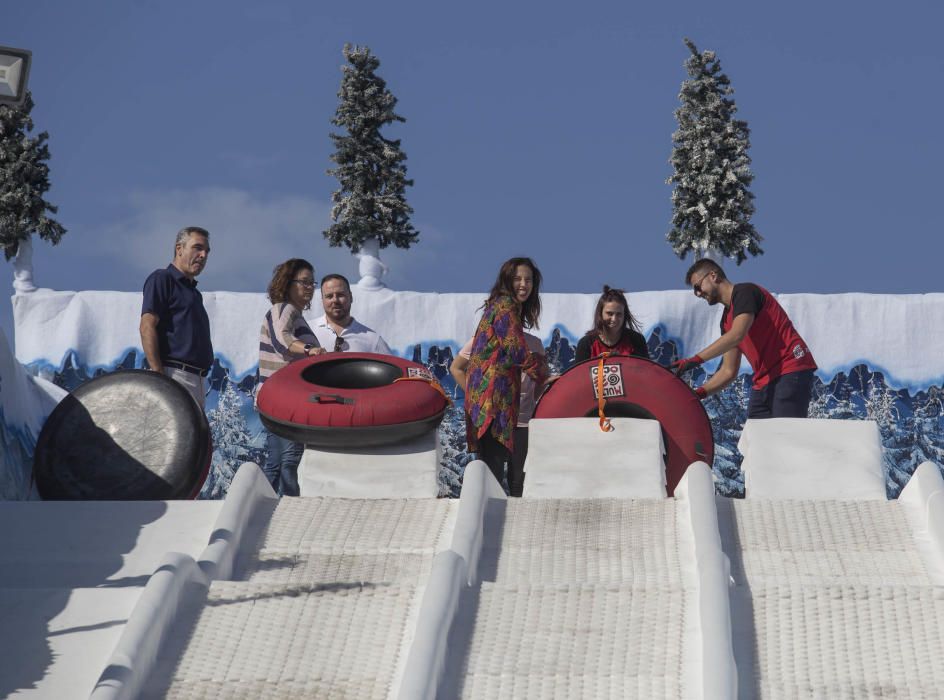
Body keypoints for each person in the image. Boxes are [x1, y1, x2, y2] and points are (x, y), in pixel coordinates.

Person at [674, 259, 817, 418]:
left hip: (790, 369)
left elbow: (737, 334)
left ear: (713, 276)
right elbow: (728, 371)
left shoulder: (745, 292)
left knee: (785, 437)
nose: (698, 294)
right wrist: (698, 394)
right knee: (755, 440)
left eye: (697, 287)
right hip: (764, 381)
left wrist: (694, 360)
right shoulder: (726, 320)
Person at [463, 257, 548, 494]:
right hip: (492, 402)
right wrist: (543, 374)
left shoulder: (501, 307)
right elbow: (515, 348)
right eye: (518, 278)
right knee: (492, 472)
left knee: (493, 468)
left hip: (496, 401)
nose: (524, 284)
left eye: (529, 280)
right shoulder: (505, 305)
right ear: (507, 281)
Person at [258, 258, 325, 496]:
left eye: (312, 283)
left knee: (276, 462)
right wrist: (310, 350)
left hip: (276, 396)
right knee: (290, 459)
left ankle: (262, 508)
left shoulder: (294, 314)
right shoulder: (282, 309)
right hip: (284, 396)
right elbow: (281, 339)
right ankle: (290, 507)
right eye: (304, 282)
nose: (309, 288)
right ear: (288, 283)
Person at [451, 330, 545, 497]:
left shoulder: (534, 343)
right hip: (494, 422)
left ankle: (517, 520)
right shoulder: (481, 340)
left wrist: (531, 401)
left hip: (522, 422)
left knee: (519, 481)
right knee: (492, 478)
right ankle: (491, 521)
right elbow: (456, 368)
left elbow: (541, 378)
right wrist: (477, 399)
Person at [140, 226, 213, 409]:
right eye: (197, 247)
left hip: (198, 380)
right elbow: (147, 326)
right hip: (174, 375)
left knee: (195, 437)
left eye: (206, 251)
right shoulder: (162, 279)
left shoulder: (195, 294)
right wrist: (158, 374)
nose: (203, 255)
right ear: (179, 249)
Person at [311, 274, 392, 354]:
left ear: (351, 297)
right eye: (329, 296)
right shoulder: (308, 331)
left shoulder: (373, 340)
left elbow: (393, 366)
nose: (335, 300)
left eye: (340, 295)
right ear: (322, 300)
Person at [574, 285, 650, 362]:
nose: (614, 319)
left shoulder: (636, 340)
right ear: (600, 314)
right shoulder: (586, 344)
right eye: (609, 313)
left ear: (624, 315)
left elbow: (645, 371)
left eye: (619, 314)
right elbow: (579, 373)